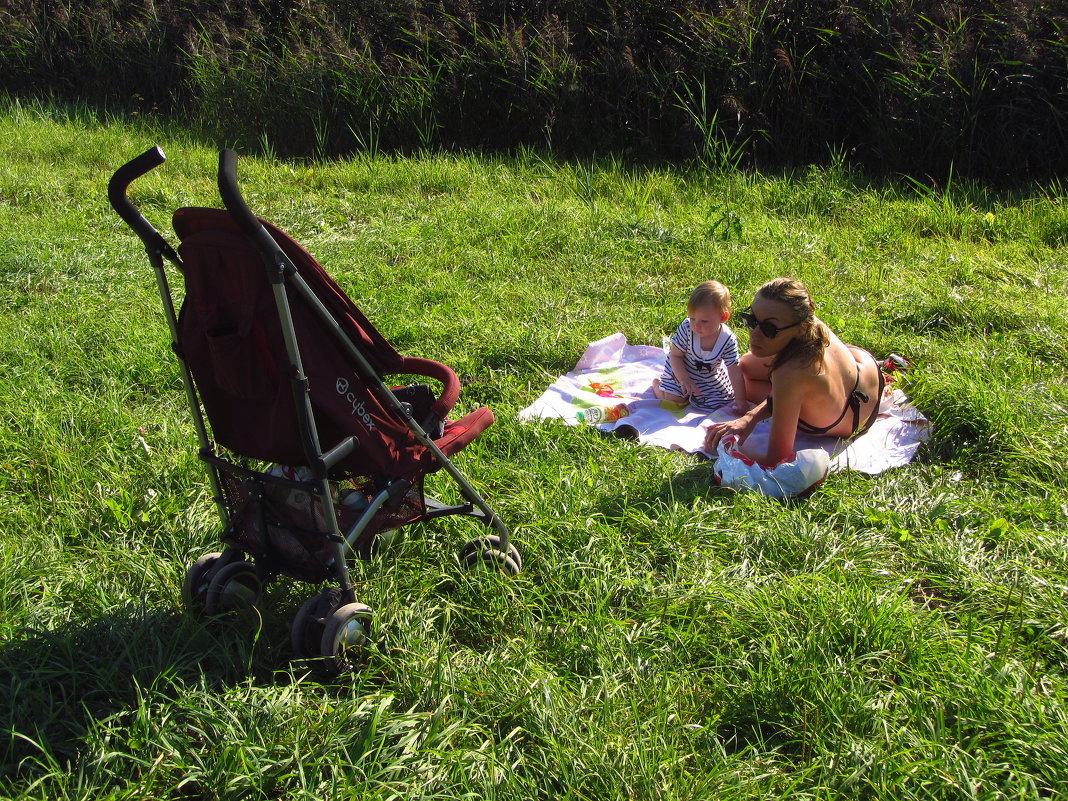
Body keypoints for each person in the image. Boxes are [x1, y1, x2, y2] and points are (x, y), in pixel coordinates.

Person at [703, 277, 885, 467]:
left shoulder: (790, 372)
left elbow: (777, 459)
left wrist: (725, 447)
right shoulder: (810, 323)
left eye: (769, 329)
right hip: (866, 373)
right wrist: (750, 417)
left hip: (850, 421)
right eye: (751, 320)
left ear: (801, 329)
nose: (754, 334)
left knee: (745, 385)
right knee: (745, 366)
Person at [653, 280, 747, 412]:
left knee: (719, 403)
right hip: (680, 371)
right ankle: (658, 386)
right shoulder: (687, 329)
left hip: (708, 376)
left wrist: (741, 399)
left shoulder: (727, 339)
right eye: (692, 318)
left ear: (723, 317)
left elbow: (734, 370)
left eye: (704, 321)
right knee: (674, 399)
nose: (696, 325)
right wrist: (684, 380)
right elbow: (675, 356)